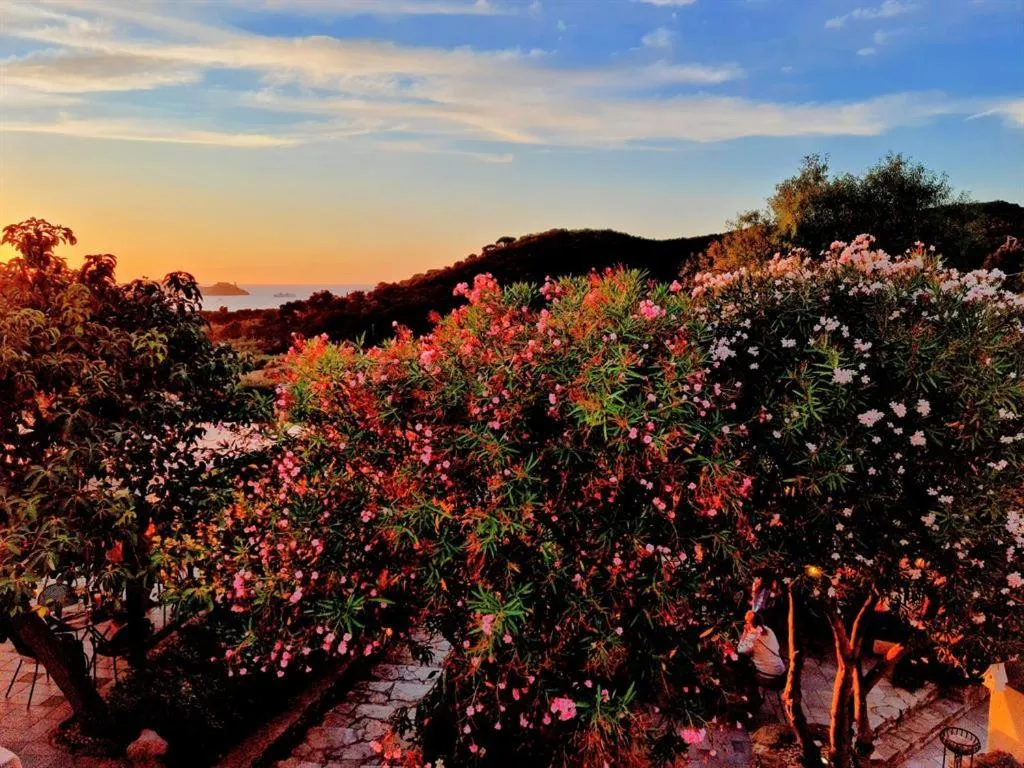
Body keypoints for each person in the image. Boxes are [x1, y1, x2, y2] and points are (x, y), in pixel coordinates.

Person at [737, 610, 786, 683]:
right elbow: (777, 647)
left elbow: (739, 650)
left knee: (746, 672)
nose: (745, 624)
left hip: (770, 678)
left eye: (747, 622)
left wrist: (745, 633)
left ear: (752, 624)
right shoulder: (768, 630)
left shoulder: (752, 637)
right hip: (782, 672)